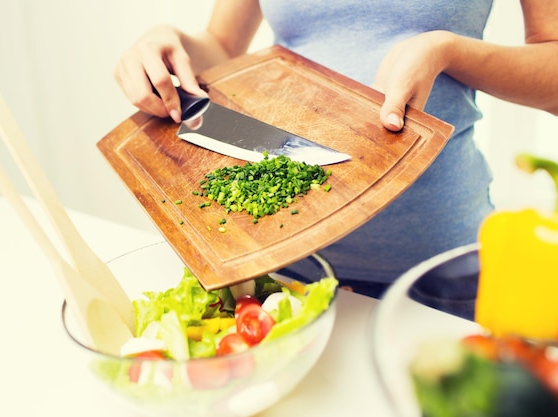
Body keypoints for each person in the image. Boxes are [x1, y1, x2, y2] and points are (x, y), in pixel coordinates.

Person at [114, 1, 558, 317]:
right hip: (280, 268)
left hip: (437, 273)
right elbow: (221, 43)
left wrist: (448, 50)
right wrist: (167, 46)